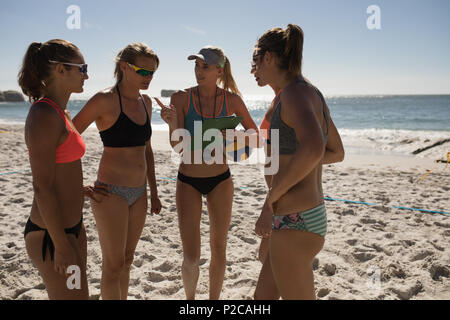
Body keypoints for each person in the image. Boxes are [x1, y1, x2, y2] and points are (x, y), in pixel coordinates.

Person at [252, 24, 345, 300]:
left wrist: (270, 202)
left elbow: (316, 148)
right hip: (292, 218)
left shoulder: (295, 94)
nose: (252, 69)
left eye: (255, 61)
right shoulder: (306, 93)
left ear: (268, 57)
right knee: (261, 300)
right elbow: (335, 151)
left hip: (296, 220)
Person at [159, 46, 258, 300]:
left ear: (219, 70)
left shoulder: (232, 100)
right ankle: (190, 302)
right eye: (196, 65)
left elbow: (256, 136)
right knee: (191, 256)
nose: (199, 71)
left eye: (205, 67)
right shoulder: (180, 98)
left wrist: (234, 136)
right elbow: (177, 145)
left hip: (220, 181)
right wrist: (172, 124)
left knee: (219, 249)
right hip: (188, 180)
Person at [72, 42, 162, 300]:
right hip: (110, 193)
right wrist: (79, 186)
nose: (148, 78)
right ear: (124, 66)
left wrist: (153, 192)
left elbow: (147, 150)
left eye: (152, 73)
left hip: (139, 193)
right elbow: (66, 141)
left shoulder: (146, 102)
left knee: (127, 260)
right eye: (142, 71)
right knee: (112, 266)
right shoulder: (104, 100)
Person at [18, 39, 90, 299]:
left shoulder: (62, 112)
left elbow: (62, 169)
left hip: (72, 228)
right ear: (61, 69)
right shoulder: (44, 115)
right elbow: (42, 186)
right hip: (51, 234)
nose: (87, 75)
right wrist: (61, 245)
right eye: (81, 68)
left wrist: (82, 189)